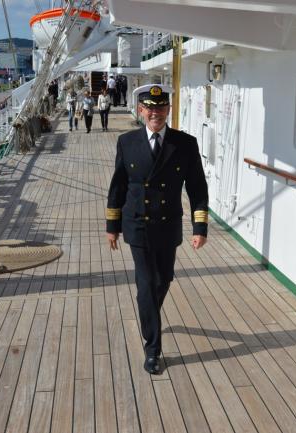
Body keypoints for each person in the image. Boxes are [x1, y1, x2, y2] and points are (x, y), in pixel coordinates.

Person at [105, 84, 209, 374]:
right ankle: (153, 349)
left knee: (163, 280)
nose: (156, 113)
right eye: (150, 108)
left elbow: (197, 188)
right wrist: (112, 226)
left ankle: (148, 311)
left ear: (168, 110)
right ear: (141, 110)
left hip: (168, 224)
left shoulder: (185, 144)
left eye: (161, 108)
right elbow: (118, 186)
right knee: (148, 284)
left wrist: (199, 226)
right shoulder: (127, 142)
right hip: (137, 224)